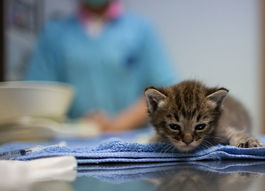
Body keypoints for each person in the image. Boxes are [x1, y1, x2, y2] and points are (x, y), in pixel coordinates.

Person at [25, 0, 175, 131]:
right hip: (70, 143)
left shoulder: (142, 30)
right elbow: (35, 97)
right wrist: (79, 127)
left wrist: (118, 125)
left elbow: (166, 91)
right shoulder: (53, 34)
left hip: (131, 140)